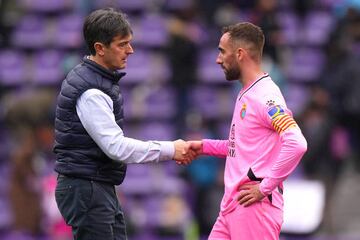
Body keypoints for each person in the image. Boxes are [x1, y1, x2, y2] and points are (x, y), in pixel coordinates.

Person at [53, 8, 193, 240]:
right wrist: (170, 149)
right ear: (99, 48)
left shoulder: (96, 80)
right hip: (87, 187)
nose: (131, 50)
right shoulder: (91, 92)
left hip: (96, 184)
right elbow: (116, 148)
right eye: (122, 44)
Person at [188, 22, 307, 240]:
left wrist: (265, 187)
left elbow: (297, 142)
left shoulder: (265, 97)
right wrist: (203, 146)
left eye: (222, 52)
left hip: (254, 207)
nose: (218, 59)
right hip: (232, 205)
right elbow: (241, 147)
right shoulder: (247, 92)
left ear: (240, 54)